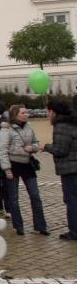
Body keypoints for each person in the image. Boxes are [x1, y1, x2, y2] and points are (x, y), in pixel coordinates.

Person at [0, 104, 47, 236]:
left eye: (26, 112)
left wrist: (33, 148)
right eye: (23, 112)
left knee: (35, 195)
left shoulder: (29, 126)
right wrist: (7, 169)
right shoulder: (6, 129)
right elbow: (2, 150)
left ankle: (40, 226)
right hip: (13, 164)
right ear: (15, 115)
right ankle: (19, 226)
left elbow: (36, 142)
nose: (26, 114)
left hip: (27, 164)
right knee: (14, 198)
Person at [44, 100, 77, 241]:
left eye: (48, 111)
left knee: (72, 201)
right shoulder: (72, 122)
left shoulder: (61, 126)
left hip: (70, 169)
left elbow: (60, 150)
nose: (47, 114)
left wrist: (46, 147)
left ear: (52, 111)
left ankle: (74, 231)